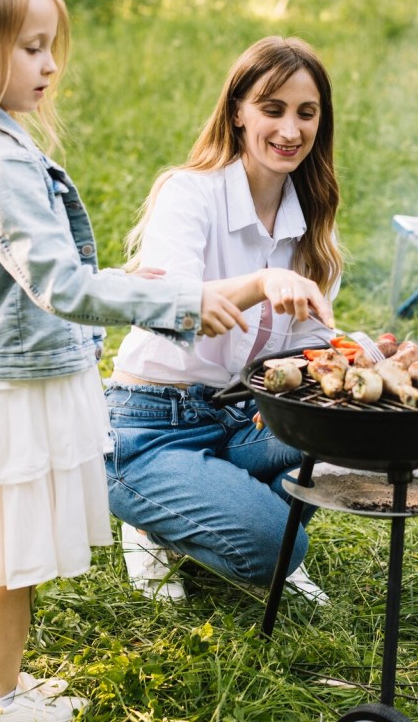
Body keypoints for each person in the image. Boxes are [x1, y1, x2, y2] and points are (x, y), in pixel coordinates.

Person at [0, 0, 253, 721]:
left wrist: (127, 277)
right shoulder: (0, 159)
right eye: (29, 47)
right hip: (11, 388)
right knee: (5, 549)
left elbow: (32, 273)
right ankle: (1, 696)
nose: (49, 64)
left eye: (50, 45)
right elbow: (59, 286)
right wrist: (180, 300)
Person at [105, 36, 342, 604]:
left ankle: (216, 505)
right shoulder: (190, 194)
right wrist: (261, 284)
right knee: (271, 547)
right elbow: (169, 309)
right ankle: (152, 520)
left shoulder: (311, 222)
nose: (290, 131)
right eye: (272, 108)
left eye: (306, 114)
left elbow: (309, 345)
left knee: (348, 440)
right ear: (238, 111)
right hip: (152, 426)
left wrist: (343, 355)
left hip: (243, 418)